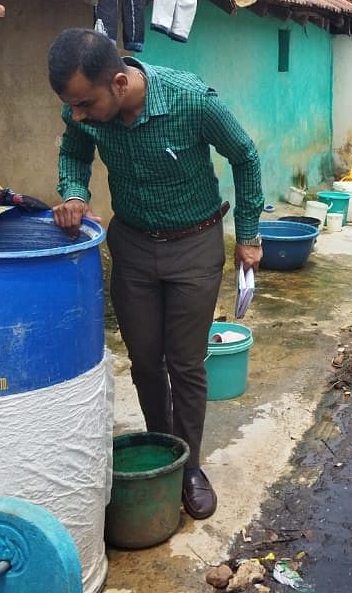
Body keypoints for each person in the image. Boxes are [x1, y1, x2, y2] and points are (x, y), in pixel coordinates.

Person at [47, 28, 264, 520]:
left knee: (184, 361)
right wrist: (74, 191)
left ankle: (189, 466)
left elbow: (244, 155)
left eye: (84, 104)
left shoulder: (190, 101)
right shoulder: (83, 111)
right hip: (134, 246)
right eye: (72, 107)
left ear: (120, 83)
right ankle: (166, 449)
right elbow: (74, 152)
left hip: (195, 244)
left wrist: (249, 234)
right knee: (145, 360)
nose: (77, 115)